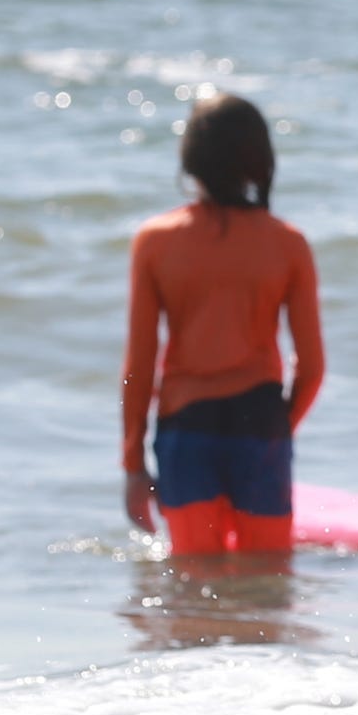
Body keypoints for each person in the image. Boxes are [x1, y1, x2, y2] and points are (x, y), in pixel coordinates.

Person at [120, 92, 325, 555]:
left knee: (194, 582)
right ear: (260, 160)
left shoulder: (154, 242)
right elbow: (312, 368)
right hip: (261, 423)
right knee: (268, 581)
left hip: (186, 429)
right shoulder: (289, 244)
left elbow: (139, 362)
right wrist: (277, 431)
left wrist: (133, 464)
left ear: (190, 160)